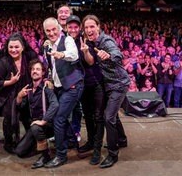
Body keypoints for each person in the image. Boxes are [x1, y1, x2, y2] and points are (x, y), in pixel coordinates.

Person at [82, 14, 130, 168]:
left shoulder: (106, 40)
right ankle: (122, 139)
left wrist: (109, 55)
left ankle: (113, 153)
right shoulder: (89, 42)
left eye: (92, 26)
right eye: (86, 27)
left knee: (108, 117)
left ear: (98, 26)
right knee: (113, 114)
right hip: (107, 85)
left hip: (118, 84)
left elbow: (118, 54)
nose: (89, 30)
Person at [42, 17, 84, 168]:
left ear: (59, 28)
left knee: (59, 118)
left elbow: (74, 54)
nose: (52, 33)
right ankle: (72, 142)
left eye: (54, 29)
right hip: (61, 87)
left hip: (73, 86)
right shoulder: (47, 45)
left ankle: (61, 155)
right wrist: (49, 78)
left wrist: (62, 54)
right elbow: (50, 67)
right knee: (61, 118)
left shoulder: (67, 40)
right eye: (48, 30)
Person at [66, 15, 106, 165]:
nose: (74, 29)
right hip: (82, 84)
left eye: (77, 27)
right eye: (71, 27)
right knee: (88, 115)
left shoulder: (87, 41)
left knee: (98, 117)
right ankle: (90, 141)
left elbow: (90, 61)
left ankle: (97, 149)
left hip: (96, 83)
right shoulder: (67, 42)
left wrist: (85, 51)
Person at [0, 32, 37, 154]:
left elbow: (39, 71)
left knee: (28, 118)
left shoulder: (30, 57)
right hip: (9, 95)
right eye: (11, 47)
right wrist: (10, 82)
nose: (13, 50)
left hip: (28, 91)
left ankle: (31, 141)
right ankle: (9, 143)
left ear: (23, 47)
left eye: (16, 47)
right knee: (10, 119)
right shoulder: (4, 62)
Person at [14, 59, 59, 169]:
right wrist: (19, 96)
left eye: (38, 69)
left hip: (48, 125)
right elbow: (20, 107)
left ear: (43, 72)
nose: (35, 71)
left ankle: (45, 155)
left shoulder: (46, 87)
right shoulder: (28, 88)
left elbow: (55, 104)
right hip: (34, 125)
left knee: (35, 127)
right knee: (20, 151)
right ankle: (40, 144)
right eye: (33, 69)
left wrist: (43, 120)